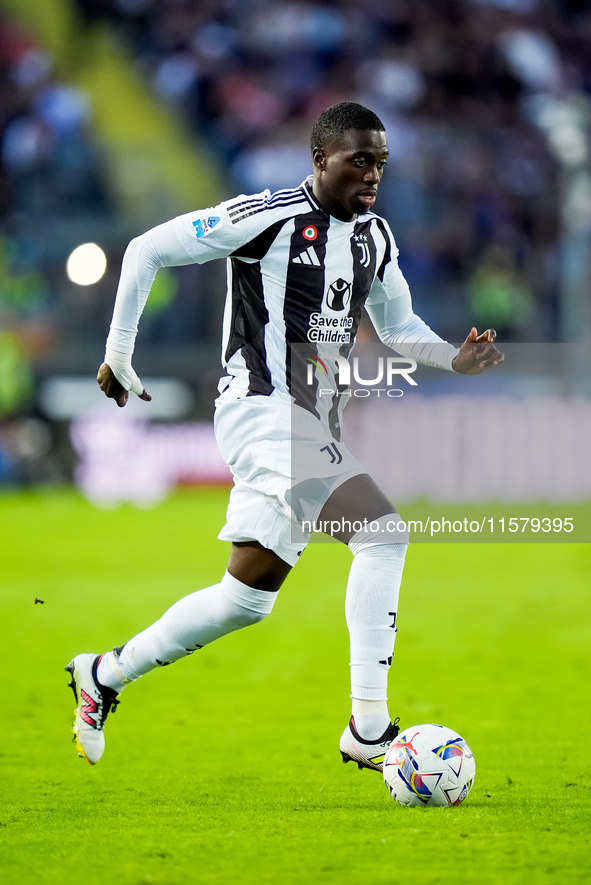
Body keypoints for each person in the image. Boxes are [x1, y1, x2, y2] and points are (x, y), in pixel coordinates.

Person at [66, 102, 503, 769]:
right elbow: (148, 248)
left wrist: (453, 356)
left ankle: (103, 674)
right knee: (383, 535)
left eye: (380, 163)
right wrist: (119, 351)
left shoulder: (374, 238)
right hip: (262, 410)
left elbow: (399, 326)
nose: (372, 175)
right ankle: (368, 726)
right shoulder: (264, 216)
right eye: (360, 160)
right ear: (320, 157)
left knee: (245, 598)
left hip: (311, 424)